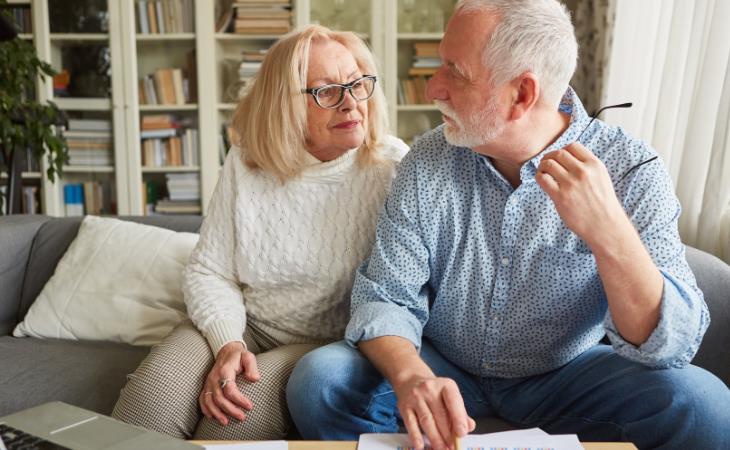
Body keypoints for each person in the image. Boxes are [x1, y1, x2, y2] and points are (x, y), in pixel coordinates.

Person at [286, 1, 730, 449]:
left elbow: (671, 346)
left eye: (454, 72)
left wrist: (609, 233)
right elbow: (385, 296)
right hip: (444, 364)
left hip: (568, 375)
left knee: (706, 406)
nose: (432, 88)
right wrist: (411, 376)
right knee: (319, 382)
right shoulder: (427, 161)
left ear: (521, 94)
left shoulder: (631, 169)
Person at [111, 24, 408, 440]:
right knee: (150, 400)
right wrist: (228, 344)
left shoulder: (393, 166)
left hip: (326, 346)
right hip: (247, 325)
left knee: (228, 421)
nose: (350, 103)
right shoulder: (247, 160)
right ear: (285, 105)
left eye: (358, 84)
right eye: (326, 91)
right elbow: (210, 271)